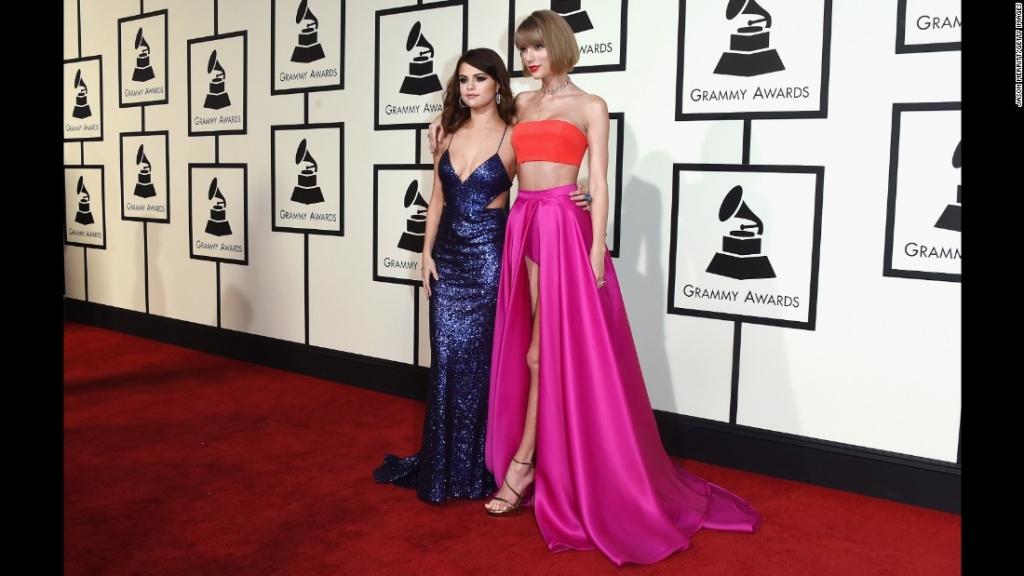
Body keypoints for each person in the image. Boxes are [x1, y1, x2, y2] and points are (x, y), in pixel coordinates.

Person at [430, 10, 762, 566]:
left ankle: (524, 466)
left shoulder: (591, 106)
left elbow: (600, 178)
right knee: (532, 351)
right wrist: (441, 136)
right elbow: (485, 144)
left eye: (537, 48)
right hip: (522, 225)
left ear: (558, 46)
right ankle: (527, 459)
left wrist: (596, 245)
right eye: (523, 50)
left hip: (566, 228)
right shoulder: (521, 105)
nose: (530, 59)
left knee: (555, 351)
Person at [374, 47, 590, 504]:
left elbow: (548, 172)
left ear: (497, 86)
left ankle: (478, 467)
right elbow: (435, 199)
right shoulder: (446, 132)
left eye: (479, 79)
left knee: (484, 366)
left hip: (492, 258)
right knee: (446, 360)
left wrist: (584, 186)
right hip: (448, 258)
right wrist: (425, 253)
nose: (470, 87)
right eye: (464, 80)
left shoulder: (517, 135)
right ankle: (443, 464)